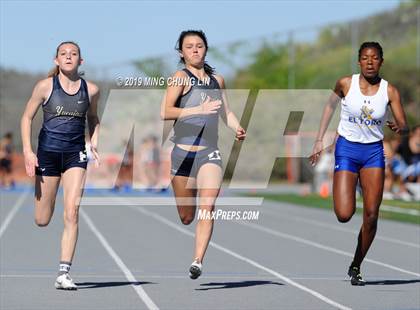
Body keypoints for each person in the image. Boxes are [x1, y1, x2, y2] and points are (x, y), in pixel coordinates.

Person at [310, 42, 408, 286]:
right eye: (365, 58)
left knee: (372, 215)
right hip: (347, 150)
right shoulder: (345, 83)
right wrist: (319, 139)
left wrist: (400, 128)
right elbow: (329, 106)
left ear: (381, 62)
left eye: (375, 58)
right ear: (359, 61)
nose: (370, 62)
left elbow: (404, 124)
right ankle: (348, 185)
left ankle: (356, 264)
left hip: (373, 153)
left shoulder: (389, 91)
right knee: (344, 214)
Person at [161, 30, 246, 279]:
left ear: (206, 49)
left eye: (199, 46)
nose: (195, 50)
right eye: (190, 47)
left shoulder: (217, 80)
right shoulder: (180, 78)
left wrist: (236, 126)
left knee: (208, 205)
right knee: (187, 216)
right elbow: (165, 111)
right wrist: (198, 108)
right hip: (183, 154)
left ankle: (197, 261)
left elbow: (225, 111)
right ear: (182, 52)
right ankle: (191, 226)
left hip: (209, 152)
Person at [21, 41, 100, 290]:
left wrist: (93, 141)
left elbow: (93, 118)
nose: (68, 57)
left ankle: (64, 273)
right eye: (63, 54)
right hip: (48, 156)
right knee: (42, 219)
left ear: (81, 61)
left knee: (72, 212)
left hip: (76, 155)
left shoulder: (92, 90)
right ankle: (49, 198)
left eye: (73, 54)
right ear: (56, 60)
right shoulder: (45, 86)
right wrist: (27, 151)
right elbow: (26, 117)